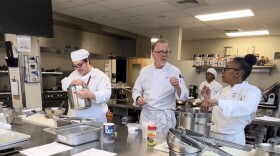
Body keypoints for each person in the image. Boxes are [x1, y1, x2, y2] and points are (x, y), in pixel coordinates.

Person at [200, 54, 261, 145]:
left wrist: (217, 101)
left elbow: (248, 107)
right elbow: (214, 109)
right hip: (213, 136)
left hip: (232, 139)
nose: (223, 72)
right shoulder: (224, 90)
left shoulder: (252, 90)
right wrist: (207, 98)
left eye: (226, 68)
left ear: (237, 73)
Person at [132, 39, 189, 135]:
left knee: (162, 147)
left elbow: (184, 96)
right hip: (147, 115)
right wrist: (138, 98)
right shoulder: (145, 71)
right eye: (160, 52)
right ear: (153, 54)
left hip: (164, 118)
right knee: (145, 145)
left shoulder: (175, 71)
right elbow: (136, 90)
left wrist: (178, 87)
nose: (164, 55)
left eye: (166, 52)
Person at [61, 49, 111, 123]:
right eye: (75, 66)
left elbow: (106, 95)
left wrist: (90, 95)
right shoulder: (74, 74)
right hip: (74, 119)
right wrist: (72, 82)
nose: (78, 68)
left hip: (93, 119)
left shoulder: (100, 76)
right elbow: (64, 84)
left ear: (87, 60)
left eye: (80, 65)